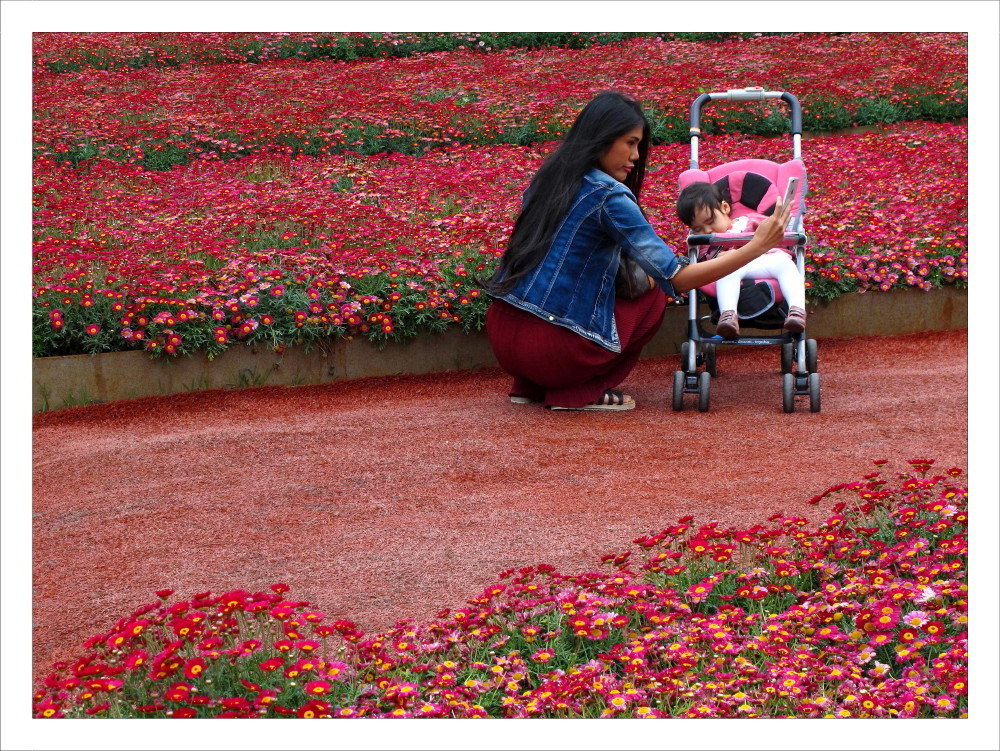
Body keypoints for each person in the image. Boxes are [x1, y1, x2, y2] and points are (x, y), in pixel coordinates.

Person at [482, 91, 792, 412]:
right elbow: (677, 279)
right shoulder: (608, 194)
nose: (635, 156)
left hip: (504, 338)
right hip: (555, 350)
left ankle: (529, 386)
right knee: (656, 292)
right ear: (602, 138)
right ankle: (575, 392)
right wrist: (757, 246)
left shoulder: (546, 180)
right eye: (630, 143)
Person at [676, 180, 806, 339]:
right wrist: (718, 258)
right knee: (723, 272)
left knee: (786, 265)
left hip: (765, 260)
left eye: (710, 222)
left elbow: (774, 233)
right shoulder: (705, 242)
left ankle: (796, 311)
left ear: (724, 208)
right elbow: (704, 262)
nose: (707, 230)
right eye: (698, 229)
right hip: (734, 267)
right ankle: (728, 316)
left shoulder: (750, 220)